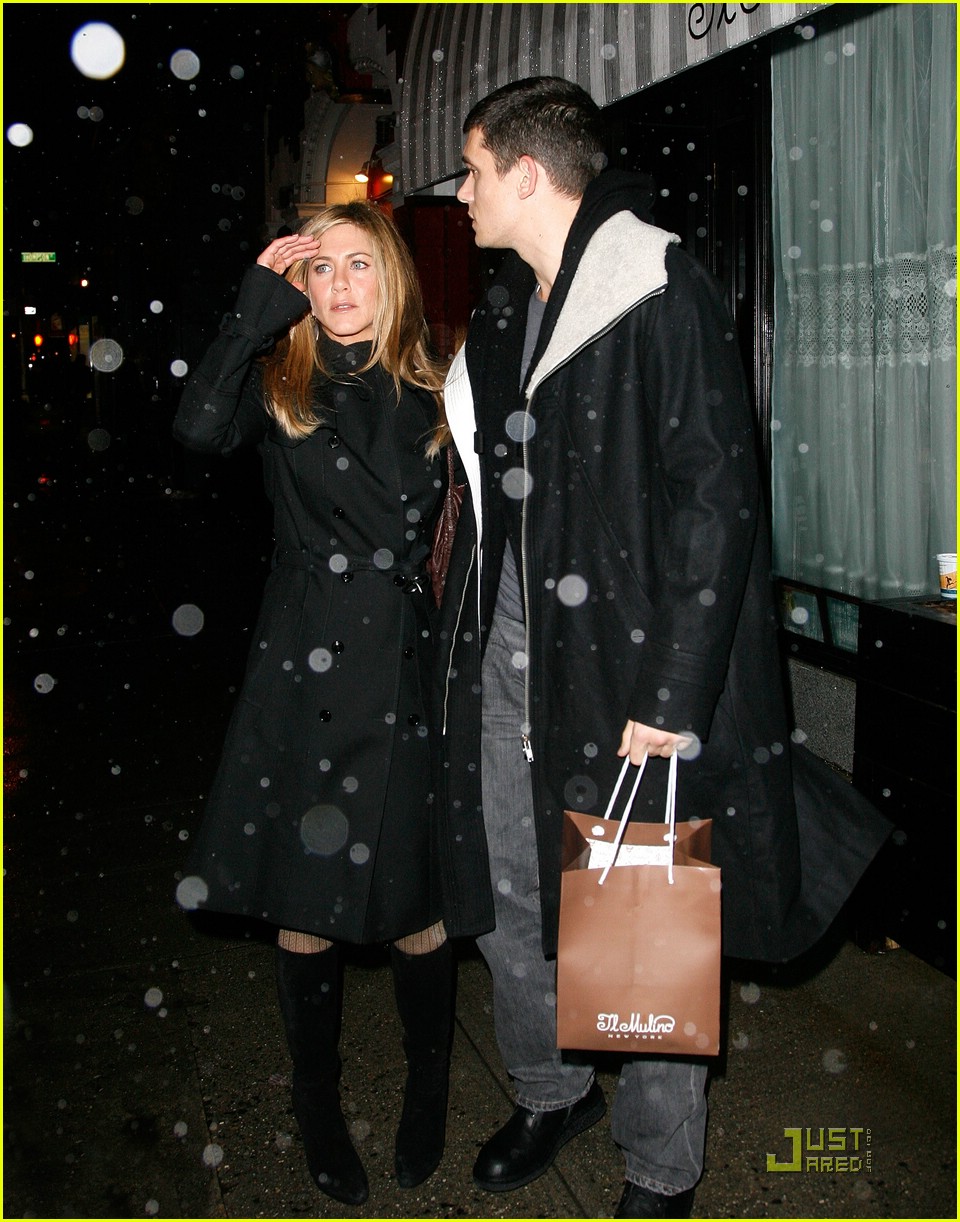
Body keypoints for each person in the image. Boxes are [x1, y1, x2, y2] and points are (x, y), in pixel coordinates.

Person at [434, 77, 888, 1219]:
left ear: (527, 174)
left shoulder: (656, 284)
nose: (463, 193)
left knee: (637, 915)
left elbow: (717, 500)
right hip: (511, 653)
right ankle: (550, 1086)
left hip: (625, 662)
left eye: (475, 169)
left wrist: (674, 688)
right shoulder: (503, 307)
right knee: (514, 892)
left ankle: (658, 1161)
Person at [173, 202, 454, 1206]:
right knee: (307, 908)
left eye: (359, 266)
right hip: (301, 671)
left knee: (416, 908)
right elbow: (195, 428)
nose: (339, 286)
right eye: (321, 268)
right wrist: (254, 310)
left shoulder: (437, 386)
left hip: (404, 668)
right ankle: (316, 1101)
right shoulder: (278, 377)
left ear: (393, 281)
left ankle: (429, 1082)